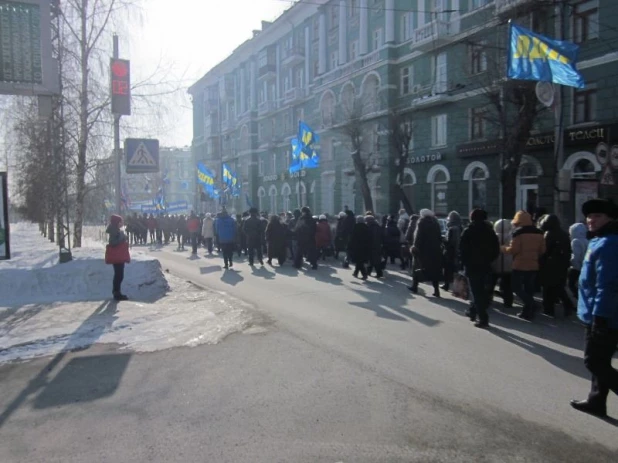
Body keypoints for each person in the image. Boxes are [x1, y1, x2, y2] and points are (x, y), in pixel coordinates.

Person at [570, 198, 618, 418]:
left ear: (610, 218)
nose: (591, 220)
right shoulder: (599, 240)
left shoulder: (609, 243)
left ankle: (596, 400)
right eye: (589, 216)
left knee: (594, 361)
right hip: (595, 312)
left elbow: (606, 284)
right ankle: (596, 401)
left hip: (603, 315)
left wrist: (600, 316)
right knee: (601, 360)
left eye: (598, 216)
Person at [501, 211, 545, 320]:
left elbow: (513, 250)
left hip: (519, 265)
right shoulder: (539, 233)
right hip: (533, 265)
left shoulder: (518, 233)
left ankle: (532, 304)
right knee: (529, 289)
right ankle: (527, 313)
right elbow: (542, 250)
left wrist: (502, 248)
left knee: (516, 287)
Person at [460, 209, 500, 328]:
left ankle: (483, 318)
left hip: (472, 266)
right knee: (481, 290)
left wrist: (465, 262)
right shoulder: (490, 231)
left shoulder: (468, 231)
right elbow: (496, 249)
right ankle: (473, 311)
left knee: (477, 291)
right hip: (485, 265)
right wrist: (488, 260)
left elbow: (462, 250)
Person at [538, 214, 575, 317]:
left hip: (549, 266)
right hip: (562, 264)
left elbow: (545, 251)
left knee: (548, 288)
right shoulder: (564, 234)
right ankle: (568, 306)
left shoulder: (548, 234)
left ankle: (548, 309)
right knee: (559, 287)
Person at [410, 209, 443, 297]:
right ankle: (436, 290)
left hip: (423, 251)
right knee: (434, 270)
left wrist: (415, 247)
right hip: (435, 251)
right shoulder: (435, 223)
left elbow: (418, 236)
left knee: (417, 267)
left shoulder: (421, 222)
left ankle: (414, 286)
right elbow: (439, 236)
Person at [490, 219, 514, 308]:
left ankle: (488, 299)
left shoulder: (494, 236)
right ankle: (508, 301)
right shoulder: (511, 236)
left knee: (491, 283)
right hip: (508, 264)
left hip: (495, 263)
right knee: (507, 285)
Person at [106, 214, 129, 301]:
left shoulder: (115, 230)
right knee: (119, 275)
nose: (121, 223)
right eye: (120, 222)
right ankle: (116, 292)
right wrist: (122, 237)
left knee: (119, 275)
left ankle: (116, 291)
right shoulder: (114, 231)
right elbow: (113, 243)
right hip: (117, 255)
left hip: (119, 255)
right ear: (116, 222)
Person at [442, 211, 463, 291]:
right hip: (456, 251)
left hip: (450, 252)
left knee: (447, 269)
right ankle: (455, 286)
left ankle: (447, 285)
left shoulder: (452, 228)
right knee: (455, 269)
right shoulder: (460, 227)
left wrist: (443, 240)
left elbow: (451, 242)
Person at [568, 222, 588, 300]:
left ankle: (578, 298)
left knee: (571, 284)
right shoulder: (586, 240)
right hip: (584, 266)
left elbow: (575, 256)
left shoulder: (575, 241)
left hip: (577, 267)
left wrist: (572, 264)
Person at [365, 214, 384, 278]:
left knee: (375, 260)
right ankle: (368, 272)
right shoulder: (376, 226)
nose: (366, 222)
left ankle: (379, 273)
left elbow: (374, 237)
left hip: (373, 246)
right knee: (372, 259)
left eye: (366, 220)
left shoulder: (372, 226)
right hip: (376, 245)